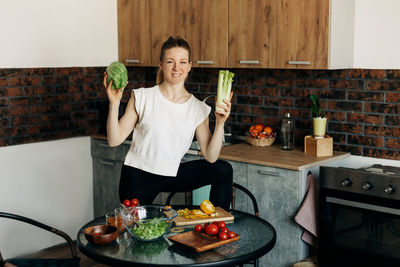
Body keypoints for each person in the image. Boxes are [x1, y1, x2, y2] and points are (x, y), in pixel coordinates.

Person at [104, 36, 233, 210]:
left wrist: (220, 123)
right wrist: (114, 103)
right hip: (138, 175)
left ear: (189, 66)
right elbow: (114, 140)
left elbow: (210, 156)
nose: (176, 68)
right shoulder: (142, 97)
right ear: (161, 65)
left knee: (223, 170)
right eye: (170, 61)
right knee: (139, 232)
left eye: (182, 62)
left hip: (172, 172)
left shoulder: (198, 108)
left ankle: (217, 224)